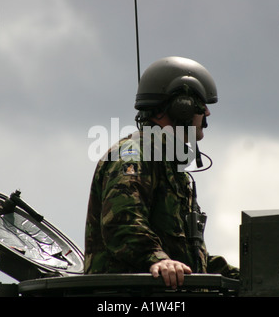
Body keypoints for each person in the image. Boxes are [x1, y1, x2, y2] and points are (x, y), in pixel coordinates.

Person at [84, 56, 239, 289]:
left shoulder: (170, 167)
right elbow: (121, 224)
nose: (206, 113)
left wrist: (246, 274)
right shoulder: (135, 155)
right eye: (200, 104)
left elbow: (188, 257)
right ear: (182, 106)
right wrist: (159, 260)